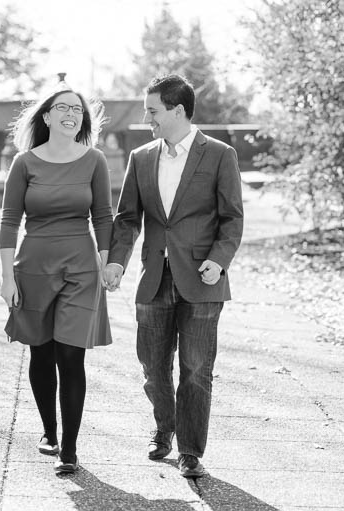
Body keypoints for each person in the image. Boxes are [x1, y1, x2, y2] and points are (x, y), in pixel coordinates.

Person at [103, 74, 243, 478]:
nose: (147, 118)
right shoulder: (141, 157)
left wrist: (220, 260)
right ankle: (164, 428)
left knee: (196, 368)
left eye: (152, 111)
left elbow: (232, 218)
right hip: (153, 278)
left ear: (177, 111)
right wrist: (117, 261)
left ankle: (190, 450)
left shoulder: (219, 155)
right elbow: (127, 218)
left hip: (203, 278)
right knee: (152, 365)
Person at [0, 85, 113, 474]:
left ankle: (70, 448)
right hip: (33, 267)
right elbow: (9, 221)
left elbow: (103, 216)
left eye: (77, 109)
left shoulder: (95, 160)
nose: (70, 114)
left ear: (83, 119)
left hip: (81, 268)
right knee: (41, 351)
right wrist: (6, 278)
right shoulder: (25, 163)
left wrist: (106, 264)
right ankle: (49, 430)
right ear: (46, 117)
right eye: (62, 107)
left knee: (71, 354)